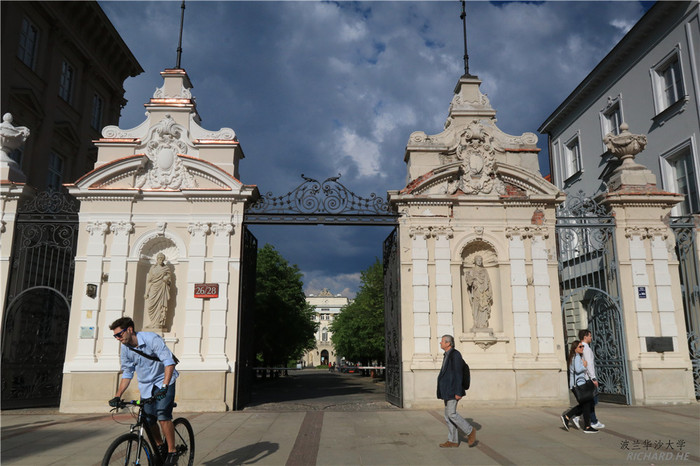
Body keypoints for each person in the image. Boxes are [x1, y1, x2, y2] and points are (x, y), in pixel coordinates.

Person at [109, 317, 179, 465]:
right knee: (147, 419)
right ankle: (160, 446)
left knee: (162, 415)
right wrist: (117, 395)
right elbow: (127, 372)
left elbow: (169, 362)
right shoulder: (125, 348)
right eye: (115, 336)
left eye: (119, 334)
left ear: (129, 329)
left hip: (164, 380)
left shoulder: (151, 339)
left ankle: (172, 451)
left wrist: (165, 387)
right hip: (146, 385)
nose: (117, 338)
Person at [436, 335, 476, 448]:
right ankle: (452, 440)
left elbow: (458, 374)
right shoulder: (447, 355)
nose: (440, 343)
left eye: (442, 341)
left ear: (448, 343)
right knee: (447, 416)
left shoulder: (455, 355)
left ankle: (470, 431)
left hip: (453, 390)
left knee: (451, 413)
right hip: (447, 390)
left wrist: (458, 391)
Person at [561, 340, 598, 434]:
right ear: (575, 349)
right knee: (587, 404)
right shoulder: (576, 357)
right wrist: (585, 365)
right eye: (580, 347)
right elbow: (578, 370)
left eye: (582, 346)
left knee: (586, 404)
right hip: (579, 385)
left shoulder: (575, 357)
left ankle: (570, 417)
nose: (582, 348)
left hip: (578, 384)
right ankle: (586, 426)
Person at [572, 329, 605, 429]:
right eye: (590, 336)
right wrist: (593, 378)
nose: (591, 337)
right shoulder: (585, 348)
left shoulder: (581, 347)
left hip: (584, 377)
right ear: (585, 337)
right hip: (587, 378)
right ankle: (579, 416)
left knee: (590, 401)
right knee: (592, 401)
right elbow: (589, 364)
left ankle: (593, 420)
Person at [144, 253, 172, 328]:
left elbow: (169, 282)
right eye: (159, 259)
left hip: (162, 288)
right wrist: (146, 293)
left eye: (162, 259)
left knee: (160, 306)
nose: (161, 260)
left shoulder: (166, 269)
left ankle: (158, 323)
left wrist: (166, 280)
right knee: (150, 306)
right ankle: (152, 322)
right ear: (157, 259)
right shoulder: (152, 268)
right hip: (153, 288)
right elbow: (149, 281)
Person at [464, 255, 493, 328]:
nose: (479, 261)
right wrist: (468, 277)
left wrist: (489, 292)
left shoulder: (484, 270)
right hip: (476, 291)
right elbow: (469, 283)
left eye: (480, 260)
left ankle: (483, 324)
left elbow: (488, 282)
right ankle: (476, 323)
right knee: (476, 307)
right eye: (478, 260)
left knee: (484, 307)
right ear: (475, 261)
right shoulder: (472, 270)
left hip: (484, 292)